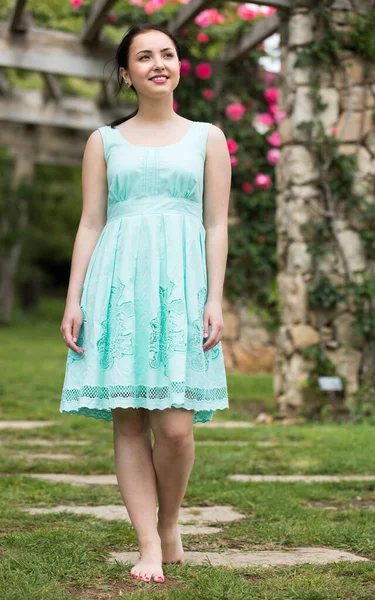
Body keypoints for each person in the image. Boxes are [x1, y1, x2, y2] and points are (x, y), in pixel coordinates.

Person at [59, 22, 231, 584]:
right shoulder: (103, 141)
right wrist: (75, 298)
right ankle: (148, 546)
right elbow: (90, 221)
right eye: (144, 56)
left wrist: (215, 299)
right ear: (126, 73)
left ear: (179, 65)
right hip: (118, 286)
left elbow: (215, 223)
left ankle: (171, 521)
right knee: (130, 421)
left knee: (177, 428)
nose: (158, 63)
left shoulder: (207, 136)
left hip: (182, 287)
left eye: (168, 54)